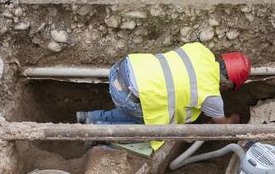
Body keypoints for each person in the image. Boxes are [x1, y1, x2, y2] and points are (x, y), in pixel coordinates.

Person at [76, 43, 251, 147]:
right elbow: (223, 127)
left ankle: (88, 117)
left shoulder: (200, 50)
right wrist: (234, 119)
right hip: (130, 96)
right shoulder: (211, 96)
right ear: (226, 83)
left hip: (122, 70)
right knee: (143, 127)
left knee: (139, 108)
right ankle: (96, 134)